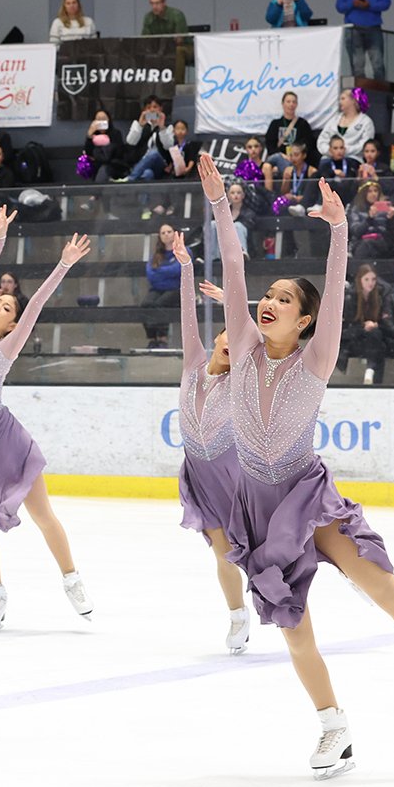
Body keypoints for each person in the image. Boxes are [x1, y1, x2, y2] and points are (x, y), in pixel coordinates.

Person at [199, 154, 394, 778]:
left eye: (283, 299)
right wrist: (218, 206)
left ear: (306, 319)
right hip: (257, 511)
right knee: (294, 630)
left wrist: (339, 231)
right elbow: (233, 266)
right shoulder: (245, 342)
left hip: (308, 499)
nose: (267, 302)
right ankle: (332, 729)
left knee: (382, 587)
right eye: (267, 296)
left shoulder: (316, 359)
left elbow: (337, 288)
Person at [0, 207, 94, 630]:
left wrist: (63, 264)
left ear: (14, 324)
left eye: (5, 306)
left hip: (4, 439)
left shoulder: (7, 348)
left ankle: (72, 579)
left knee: (43, 514)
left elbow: (38, 304)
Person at [166, 261, 251, 654]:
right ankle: (237, 616)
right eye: (226, 334)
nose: (232, 340)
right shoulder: (193, 364)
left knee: (265, 548)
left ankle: (346, 565)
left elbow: (263, 336)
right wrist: (185, 268)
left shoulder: (241, 379)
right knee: (223, 553)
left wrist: (235, 304)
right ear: (217, 338)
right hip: (200, 475)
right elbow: (186, 316)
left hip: (234, 474)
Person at [339, 263, 391, 384]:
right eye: (366, 279)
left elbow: (386, 320)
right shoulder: (350, 297)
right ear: (360, 280)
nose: (370, 283)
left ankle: (371, 373)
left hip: (374, 338)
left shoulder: (380, 295)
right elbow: (348, 326)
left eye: (373, 279)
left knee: (377, 338)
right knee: (376, 340)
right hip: (354, 339)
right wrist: (364, 327)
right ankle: (371, 371)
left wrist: (375, 325)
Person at [261, 92, 313, 193]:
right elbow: (270, 144)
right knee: (267, 166)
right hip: (278, 156)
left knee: (287, 168)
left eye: (293, 102)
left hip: (295, 159)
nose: (291, 104)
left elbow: (307, 144)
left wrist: (294, 155)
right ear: (283, 104)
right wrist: (281, 155)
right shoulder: (275, 124)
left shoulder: (302, 124)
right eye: (288, 101)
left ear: (296, 104)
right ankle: (268, 197)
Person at [337, 0, 391, 81]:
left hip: (373, 27)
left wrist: (370, 5)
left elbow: (386, 3)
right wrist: (352, 3)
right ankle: (359, 94)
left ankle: (381, 93)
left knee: (378, 63)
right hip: (353, 28)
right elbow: (339, 6)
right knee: (357, 66)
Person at [144, 222, 182, 347]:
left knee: (160, 304)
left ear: (175, 233)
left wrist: (160, 271)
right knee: (146, 304)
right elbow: (151, 274)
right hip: (157, 289)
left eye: (169, 232)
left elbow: (178, 270)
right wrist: (167, 273)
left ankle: (163, 338)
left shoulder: (183, 251)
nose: (166, 235)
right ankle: (152, 338)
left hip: (176, 289)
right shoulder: (156, 255)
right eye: (163, 233)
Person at [143, 0, 192, 79]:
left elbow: (180, 40)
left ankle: (176, 84)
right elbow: (145, 39)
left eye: (157, 3)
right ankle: (149, 83)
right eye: (152, 3)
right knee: (144, 52)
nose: (154, 7)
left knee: (178, 51)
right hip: (161, 47)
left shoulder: (176, 15)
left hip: (185, 47)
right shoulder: (148, 17)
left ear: (164, 3)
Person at [317, 90, 375, 161]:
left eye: (343, 98)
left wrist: (344, 151)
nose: (340, 102)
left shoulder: (365, 121)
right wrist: (330, 151)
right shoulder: (334, 120)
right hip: (330, 157)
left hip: (353, 158)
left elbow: (366, 144)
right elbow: (322, 139)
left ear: (353, 100)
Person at [347, 180, 394, 258]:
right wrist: (369, 218)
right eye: (369, 191)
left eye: (375, 191)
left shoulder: (386, 208)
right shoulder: (356, 209)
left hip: (382, 242)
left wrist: (391, 219)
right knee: (366, 246)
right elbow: (356, 231)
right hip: (361, 242)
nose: (373, 194)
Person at [80, 110, 127, 182]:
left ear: (108, 120)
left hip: (112, 166)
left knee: (104, 170)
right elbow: (88, 153)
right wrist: (89, 135)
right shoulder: (92, 135)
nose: (101, 122)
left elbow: (119, 153)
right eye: (98, 119)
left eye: (104, 119)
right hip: (95, 166)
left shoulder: (116, 133)